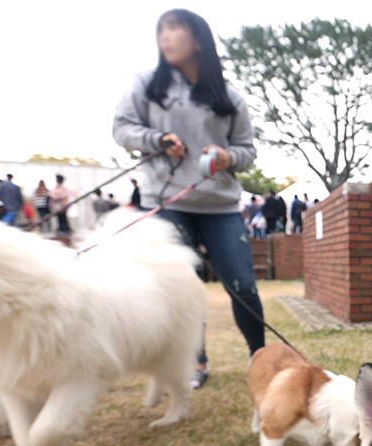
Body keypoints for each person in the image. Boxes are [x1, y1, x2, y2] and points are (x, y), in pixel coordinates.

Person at [112, 8, 264, 390]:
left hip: (222, 206)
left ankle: (261, 360)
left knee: (243, 285)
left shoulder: (229, 97)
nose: (165, 37)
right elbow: (122, 128)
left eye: (174, 29)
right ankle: (195, 363)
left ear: (197, 40)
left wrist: (229, 157)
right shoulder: (148, 84)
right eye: (161, 30)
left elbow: (247, 150)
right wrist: (157, 140)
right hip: (167, 202)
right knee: (185, 289)